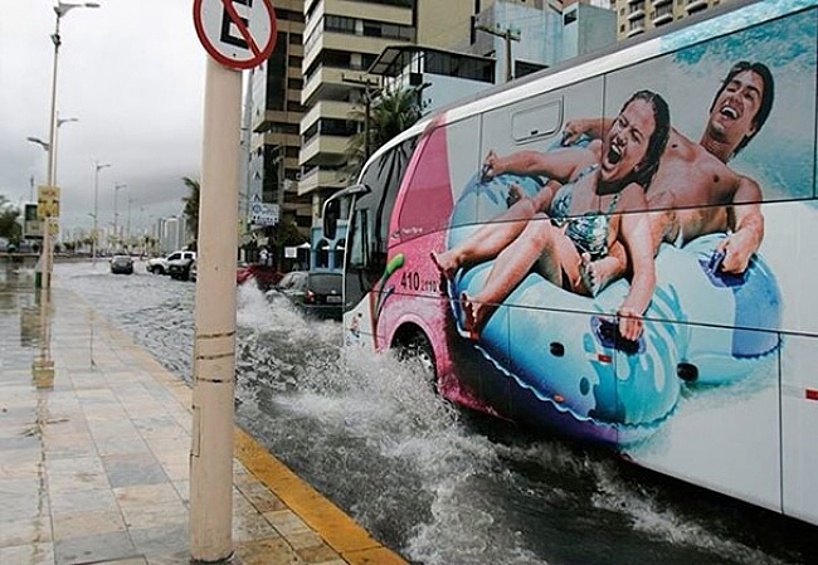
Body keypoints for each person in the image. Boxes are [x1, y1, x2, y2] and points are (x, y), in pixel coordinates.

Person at [435, 90, 671, 342]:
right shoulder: (584, 166)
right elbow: (536, 161)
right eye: (621, 123)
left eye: (635, 136)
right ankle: (457, 257)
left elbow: (645, 269)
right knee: (530, 213)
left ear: (642, 161)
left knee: (540, 224)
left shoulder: (630, 196)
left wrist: (632, 308)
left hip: (576, 276)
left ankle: (482, 304)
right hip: (545, 248)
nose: (621, 136)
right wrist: (502, 164)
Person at [562, 61, 774, 289]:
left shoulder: (738, 183)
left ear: (752, 126)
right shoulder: (669, 137)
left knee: (664, 203)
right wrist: (584, 125)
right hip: (624, 213)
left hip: (666, 220)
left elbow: (751, 219)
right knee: (593, 154)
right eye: (732, 88)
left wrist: (748, 238)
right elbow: (624, 127)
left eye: (749, 96)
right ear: (713, 105)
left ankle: (609, 268)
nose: (735, 96)